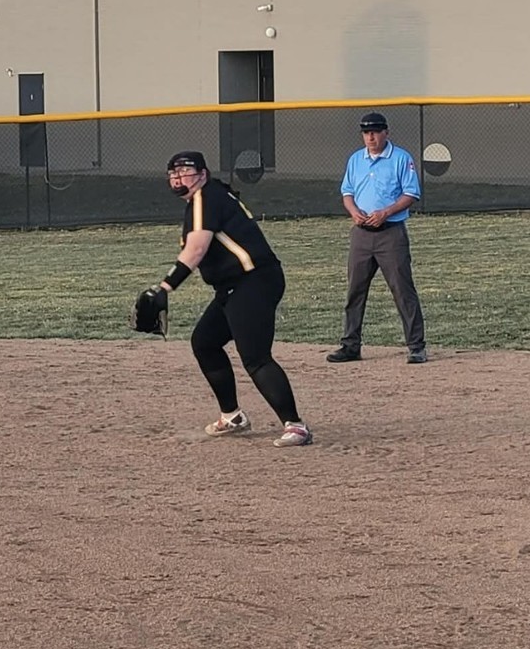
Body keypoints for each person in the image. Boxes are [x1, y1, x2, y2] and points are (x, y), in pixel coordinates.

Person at [147, 150, 312, 448]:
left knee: (256, 357)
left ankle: (296, 426)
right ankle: (232, 416)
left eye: (185, 171)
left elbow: (196, 250)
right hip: (237, 285)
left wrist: (164, 288)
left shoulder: (205, 198)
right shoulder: (207, 197)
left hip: (253, 280)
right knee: (205, 342)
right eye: (173, 172)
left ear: (203, 174)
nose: (178, 177)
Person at [326, 111, 428, 364]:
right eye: (366, 133)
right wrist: (353, 212)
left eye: (375, 132)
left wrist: (386, 212)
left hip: (390, 233)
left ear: (386, 133)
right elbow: (347, 191)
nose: (370, 137)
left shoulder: (400, 158)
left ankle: (416, 346)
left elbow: (411, 193)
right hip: (361, 234)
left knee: (402, 290)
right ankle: (350, 345)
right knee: (354, 291)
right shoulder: (356, 160)